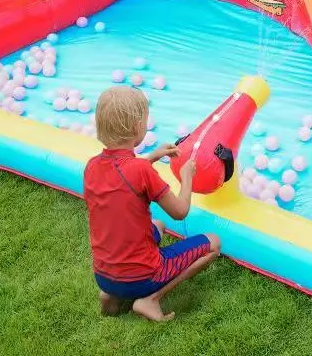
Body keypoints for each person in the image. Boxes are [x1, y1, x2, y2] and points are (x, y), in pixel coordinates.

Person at [84, 87, 220, 322]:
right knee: (213, 243)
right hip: (143, 277)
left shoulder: (92, 166)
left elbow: (124, 175)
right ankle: (151, 299)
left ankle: (110, 295)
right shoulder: (142, 171)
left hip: (103, 275)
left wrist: (153, 157)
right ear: (138, 127)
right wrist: (187, 177)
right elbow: (180, 211)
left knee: (157, 224)